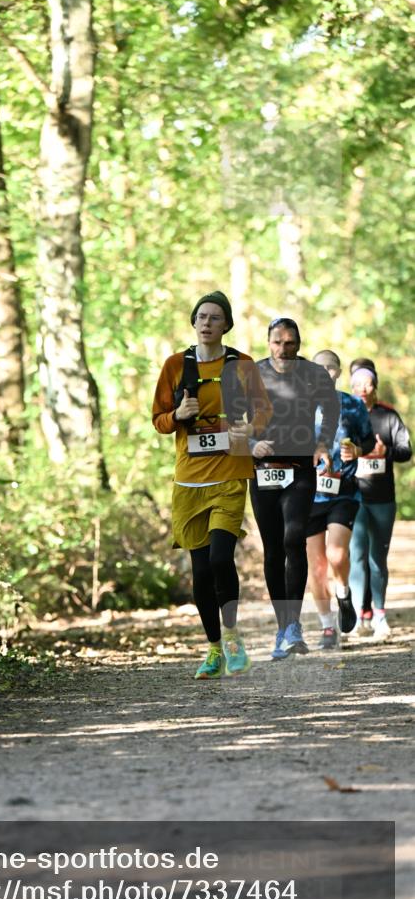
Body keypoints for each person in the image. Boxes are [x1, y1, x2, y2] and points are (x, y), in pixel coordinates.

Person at [152, 290, 272, 679]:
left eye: (214, 318)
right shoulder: (174, 365)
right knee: (201, 572)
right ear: (193, 322)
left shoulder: (243, 365)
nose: (206, 323)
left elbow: (264, 411)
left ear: (226, 325)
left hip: (231, 474)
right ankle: (213, 649)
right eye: (201, 317)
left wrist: (250, 428)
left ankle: (234, 638)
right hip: (189, 481)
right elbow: (157, 419)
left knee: (222, 558)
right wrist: (177, 414)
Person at [250, 319, 339, 659]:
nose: (283, 349)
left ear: (299, 343)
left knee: (293, 538)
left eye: (290, 343)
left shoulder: (315, 374)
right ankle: (282, 626)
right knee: (273, 549)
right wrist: (253, 444)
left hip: (300, 469)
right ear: (268, 342)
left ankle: (294, 627)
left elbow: (330, 410)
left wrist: (322, 445)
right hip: (263, 471)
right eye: (277, 342)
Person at [306, 350, 375, 649]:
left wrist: (357, 452)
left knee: (336, 556)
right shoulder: (300, 406)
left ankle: (344, 593)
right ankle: (326, 628)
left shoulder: (351, 405)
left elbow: (369, 440)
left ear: (337, 373)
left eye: (330, 368)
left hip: (343, 491)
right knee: (316, 567)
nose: (324, 372)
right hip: (308, 494)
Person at [348, 363, 412, 639]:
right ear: (351, 388)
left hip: (383, 499)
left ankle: (380, 616)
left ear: (375, 386)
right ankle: (357, 617)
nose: (363, 389)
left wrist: (386, 452)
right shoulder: (346, 415)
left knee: (377, 559)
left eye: (368, 384)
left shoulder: (388, 417)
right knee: (356, 556)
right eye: (357, 384)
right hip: (353, 495)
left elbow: (405, 451)